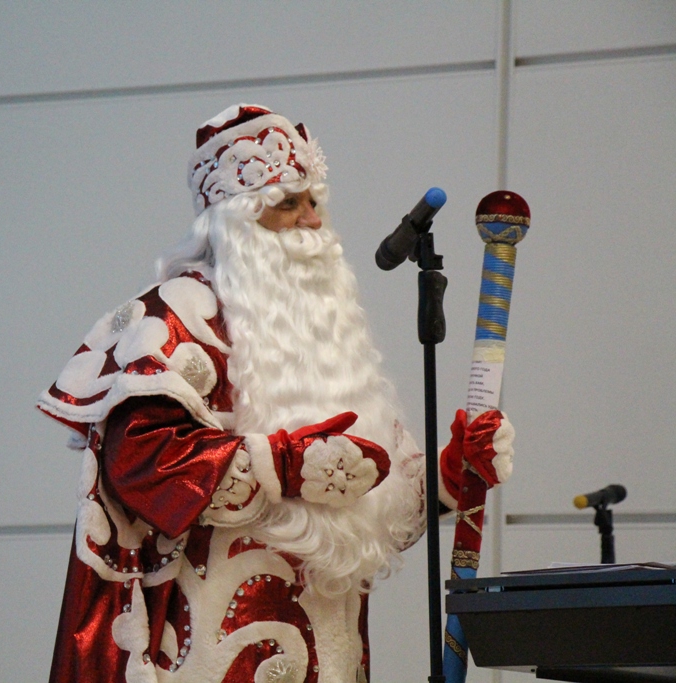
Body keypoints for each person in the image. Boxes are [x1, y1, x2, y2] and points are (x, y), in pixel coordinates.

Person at [37, 104, 515, 682]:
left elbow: (374, 507)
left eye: (315, 202)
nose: (312, 222)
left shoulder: (332, 336)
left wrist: (447, 476)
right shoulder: (179, 318)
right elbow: (139, 459)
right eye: (288, 203)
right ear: (235, 222)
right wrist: (282, 465)